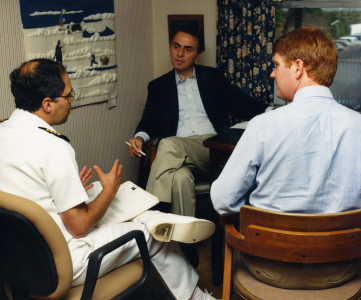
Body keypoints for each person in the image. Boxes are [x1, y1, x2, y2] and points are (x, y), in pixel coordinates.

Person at [0, 59, 220, 300]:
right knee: (150, 235)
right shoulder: (52, 146)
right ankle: (196, 296)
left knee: (92, 189)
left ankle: (155, 217)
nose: (72, 99)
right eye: (69, 94)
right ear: (47, 104)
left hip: (17, 255)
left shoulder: (5, 131)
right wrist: (110, 191)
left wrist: (70, 189)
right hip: (59, 260)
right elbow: (79, 226)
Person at [211, 27, 361, 289]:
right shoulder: (358, 126)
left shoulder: (262, 125)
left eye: (276, 65)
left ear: (298, 67)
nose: (272, 73)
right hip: (340, 269)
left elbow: (222, 202)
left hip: (268, 268)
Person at [127, 27, 271, 217]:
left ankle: (147, 212)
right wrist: (138, 137)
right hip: (176, 158)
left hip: (210, 148)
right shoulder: (158, 86)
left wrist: (272, 112)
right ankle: (182, 241)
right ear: (170, 48)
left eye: (188, 49)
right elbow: (149, 119)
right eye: (176, 46)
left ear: (197, 55)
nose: (180, 53)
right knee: (179, 178)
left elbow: (240, 102)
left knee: (168, 144)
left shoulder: (213, 77)